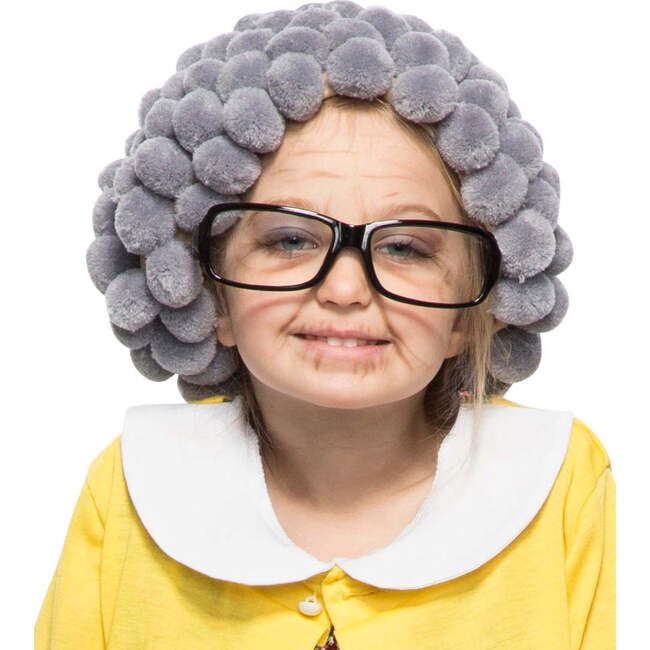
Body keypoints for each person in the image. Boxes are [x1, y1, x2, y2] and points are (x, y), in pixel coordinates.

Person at [35, 3, 615, 649]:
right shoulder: (135, 482)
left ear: (467, 312)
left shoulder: (554, 479)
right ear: (210, 296)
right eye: (287, 240)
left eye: (406, 249)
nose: (344, 289)